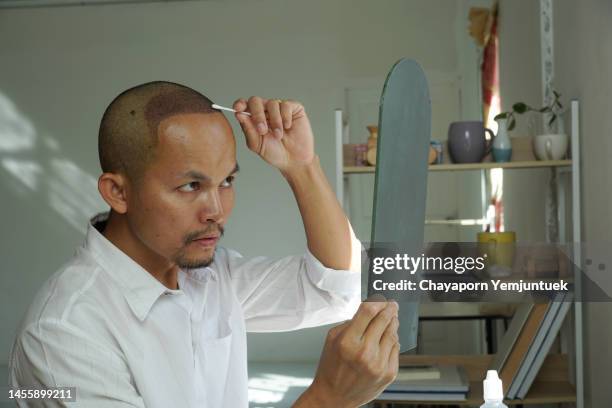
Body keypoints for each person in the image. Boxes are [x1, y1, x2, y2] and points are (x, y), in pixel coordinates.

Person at [9, 81, 399, 407]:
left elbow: (334, 289)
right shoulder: (63, 334)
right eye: (191, 185)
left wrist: (302, 166)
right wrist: (327, 399)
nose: (216, 210)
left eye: (227, 181)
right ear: (118, 192)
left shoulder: (212, 276)